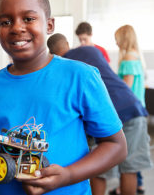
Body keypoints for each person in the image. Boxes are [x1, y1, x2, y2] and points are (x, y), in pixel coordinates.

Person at [0, 0, 127, 195]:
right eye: (5, 22)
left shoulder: (80, 76)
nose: (17, 27)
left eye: (28, 18)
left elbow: (116, 146)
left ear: (50, 24)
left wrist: (69, 175)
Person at [47, 33, 152, 195]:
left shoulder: (63, 67)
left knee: (98, 170)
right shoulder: (91, 50)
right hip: (132, 107)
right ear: (67, 43)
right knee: (129, 169)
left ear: (51, 53)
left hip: (106, 115)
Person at [112, 25, 149, 195]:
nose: (116, 42)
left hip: (129, 111)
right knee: (135, 149)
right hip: (140, 107)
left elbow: (126, 87)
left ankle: (126, 187)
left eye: (117, 39)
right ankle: (139, 184)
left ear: (124, 39)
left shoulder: (128, 58)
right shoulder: (137, 57)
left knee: (129, 152)